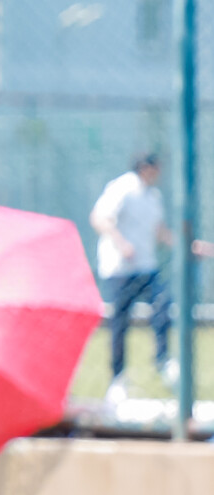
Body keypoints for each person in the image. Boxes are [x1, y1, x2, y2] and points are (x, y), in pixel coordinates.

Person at [91, 151, 173, 401]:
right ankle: (117, 379)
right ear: (146, 167)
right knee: (120, 322)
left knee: (163, 303)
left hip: (146, 267)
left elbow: (160, 231)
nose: (160, 173)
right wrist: (122, 243)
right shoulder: (121, 188)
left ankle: (162, 360)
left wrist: (187, 246)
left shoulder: (153, 196)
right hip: (120, 269)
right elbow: (99, 219)